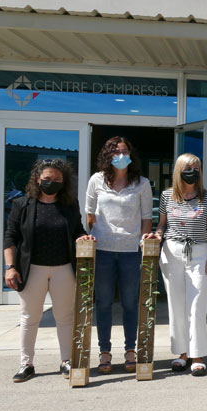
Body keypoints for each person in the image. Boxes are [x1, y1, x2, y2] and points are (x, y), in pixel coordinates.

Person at [3, 159, 93, 382]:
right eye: (47, 178)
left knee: (65, 317)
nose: (52, 182)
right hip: (32, 269)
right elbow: (11, 236)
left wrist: (83, 237)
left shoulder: (69, 204)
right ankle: (26, 364)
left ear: (64, 182)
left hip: (63, 269)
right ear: (37, 179)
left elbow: (78, 230)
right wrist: (10, 267)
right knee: (30, 317)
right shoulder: (22, 204)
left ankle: (67, 361)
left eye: (57, 179)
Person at [146, 153, 207, 376]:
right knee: (176, 305)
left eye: (196, 168)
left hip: (199, 252)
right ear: (178, 170)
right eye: (188, 168)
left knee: (197, 305)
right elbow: (162, 225)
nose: (192, 171)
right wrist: (157, 236)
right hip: (172, 252)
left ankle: (197, 355)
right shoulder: (167, 196)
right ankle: (182, 353)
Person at [86, 137, 153, 373]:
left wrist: (144, 242)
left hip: (131, 251)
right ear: (107, 155)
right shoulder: (96, 180)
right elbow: (90, 216)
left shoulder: (142, 183)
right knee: (103, 302)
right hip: (103, 250)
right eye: (116, 152)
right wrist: (97, 235)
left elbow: (147, 218)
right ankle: (104, 351)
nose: (121, 156)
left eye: (125, 151)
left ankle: (130, 350)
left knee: (130, 303)